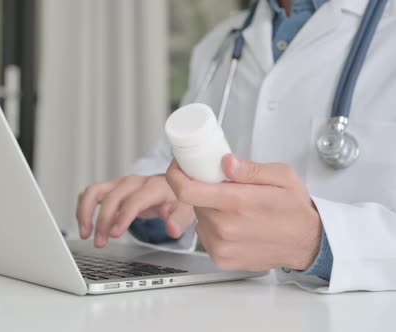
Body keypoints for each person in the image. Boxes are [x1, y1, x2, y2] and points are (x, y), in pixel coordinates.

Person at [75, 0, 396, 293]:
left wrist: (317, 243)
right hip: (233, 311)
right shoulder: (222, 43)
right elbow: (167, 169)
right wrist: (165, 206)